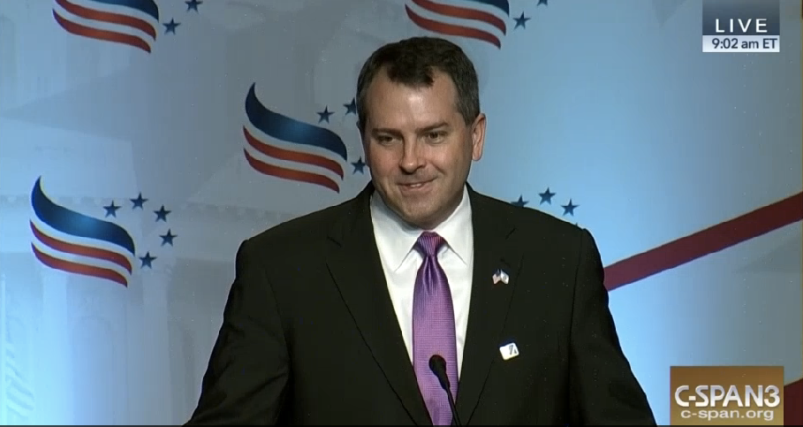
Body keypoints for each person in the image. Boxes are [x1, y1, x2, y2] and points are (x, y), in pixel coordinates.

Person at [186, 36, 655, 425]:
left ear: (475, 136)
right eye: (388, 139)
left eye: (433, 135)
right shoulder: (282, 270)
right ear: (364, 140)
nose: (411, 161)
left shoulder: (558, 260)